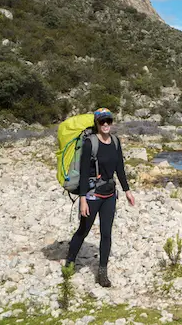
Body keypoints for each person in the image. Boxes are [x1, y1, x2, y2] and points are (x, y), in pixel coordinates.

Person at [65, 108, 135, 287]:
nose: (105, 125)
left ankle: (102, 271)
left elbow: (119, 167)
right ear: (96, 123)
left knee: (106, 233)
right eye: (102, 121)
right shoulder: (90, 143)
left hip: (110, 194)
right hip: (92, 194)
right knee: (83, 230)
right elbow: (82, 173)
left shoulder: (116, 142)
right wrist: (82, 199)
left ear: (112, 122)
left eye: (108, 121)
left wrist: (127, 191)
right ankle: (70, 262)